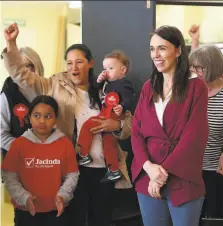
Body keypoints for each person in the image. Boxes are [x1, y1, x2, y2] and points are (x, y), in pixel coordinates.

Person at [3, 23, 132, 226]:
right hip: (74, 168)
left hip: (106, 169)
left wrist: (114, 126)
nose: (74, 68)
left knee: (102, 220)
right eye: (69, 63)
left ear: (90, 63)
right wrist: (11, 44)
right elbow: (22, 76)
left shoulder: (104, 89)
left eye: (79, 62)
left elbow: (128, 124)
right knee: (75, 220)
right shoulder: (53, 85)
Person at [131, 25, 209, 226]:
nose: (155, 54)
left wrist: (160, 174)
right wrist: (148, 168)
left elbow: (194, 136)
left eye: (162, 48)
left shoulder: (196, 86)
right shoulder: (149, 87)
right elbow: (136, 132)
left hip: (182, 176)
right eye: (152, 49)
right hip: (148, 176)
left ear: (178, 50)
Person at [2, 95, 79, 226]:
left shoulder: (65, 144)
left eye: (48, 116)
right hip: (25, 212)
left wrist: (63, 196)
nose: (42, 121)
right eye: (37, 116)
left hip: (57, 212)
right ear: (29, 118)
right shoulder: (19, 144)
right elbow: (9, 175)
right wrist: (24, 197)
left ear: (55, 119)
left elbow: (72, 174)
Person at [189, 45, 223, 219]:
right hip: (188, 170)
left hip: (216, 171)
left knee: (215, 216)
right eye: (192, 67)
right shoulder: (188, 91)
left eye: (198, 68)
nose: (194, 72)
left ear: (213, 67)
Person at [77, 50, 135, 183]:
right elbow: (94, 87)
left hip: (112, 113)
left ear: (122, 70)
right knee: (109, 143)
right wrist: (99, 80)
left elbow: (129, 97)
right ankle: (113, 170)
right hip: (107, 112)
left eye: (110, 68)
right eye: (104, 68)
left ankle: (83, 154)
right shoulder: (106, 83)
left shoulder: (124, 83)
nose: (106, 71)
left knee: (88, 125)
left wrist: (123, 106)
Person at [1, 47, 44, 159]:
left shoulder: (46, 90)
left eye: (29, 65)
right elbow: (1, 135)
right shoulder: (7, 96)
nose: (25, 71)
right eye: (21, 66)